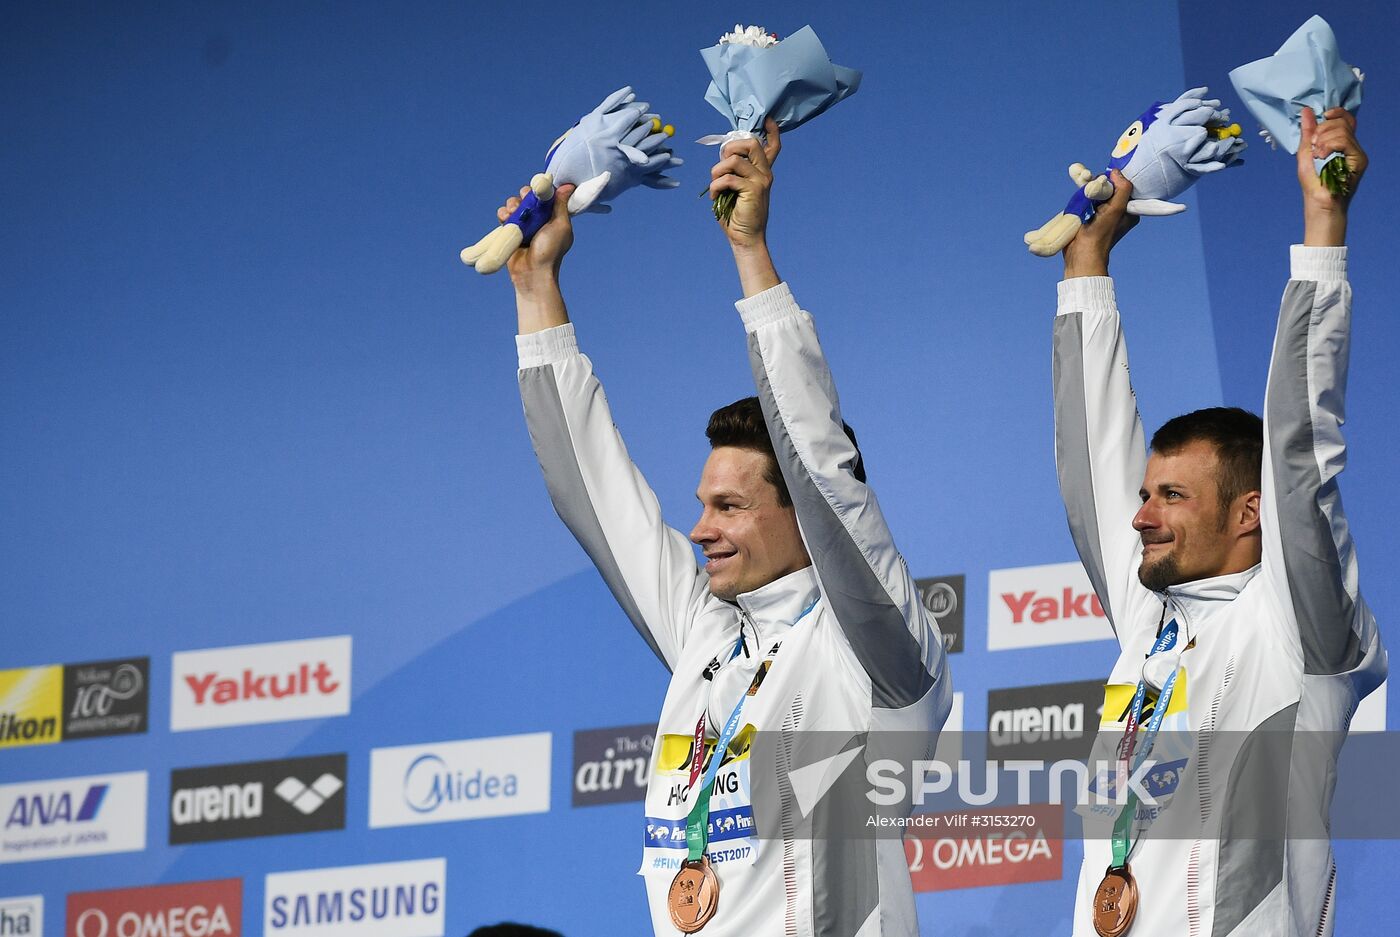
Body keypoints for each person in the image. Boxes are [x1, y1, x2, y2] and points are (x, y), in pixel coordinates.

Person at [501, 119, 951, 935]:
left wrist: (751, 256)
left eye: (731, 506)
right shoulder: (706, 630)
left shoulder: (879, 654)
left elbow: (822, 466)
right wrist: (537, 290)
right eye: (703, 504)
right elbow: (592, 486)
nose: (700, 529)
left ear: (800, 515)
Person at [1052, 108, 1385, 935]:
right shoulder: (1147, 627)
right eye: (1147, 492)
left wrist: (1323, 226)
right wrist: (1086, 266)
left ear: (1249, 512)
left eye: (1172, 496)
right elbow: (1092, 454)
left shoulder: (1299, 631)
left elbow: (1303, 453)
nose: (1140, 517)